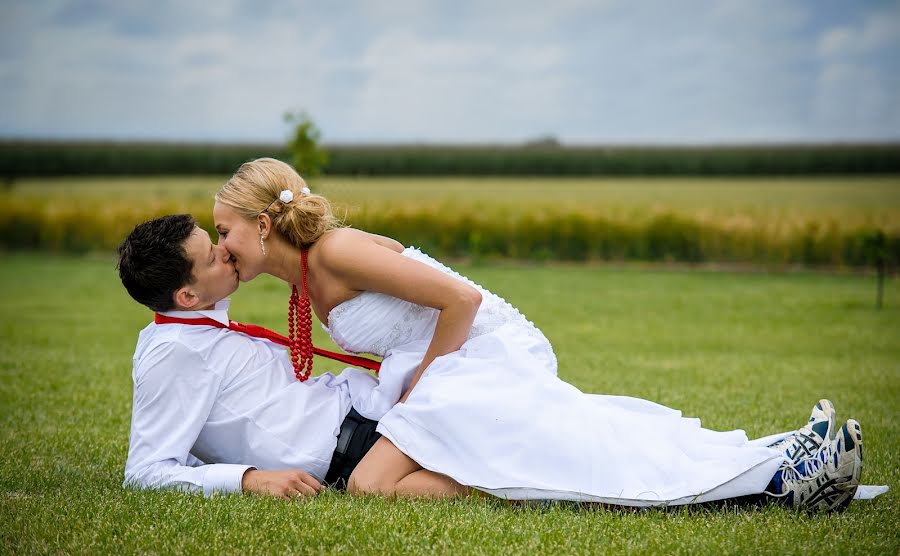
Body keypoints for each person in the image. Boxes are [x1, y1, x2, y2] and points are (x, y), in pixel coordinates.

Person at [212, 158, 884, 510]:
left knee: (369, 485)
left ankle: (771, 474)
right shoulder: (306, 275)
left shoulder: (334, 253)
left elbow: (461, 298)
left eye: (223, 232)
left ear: (262, 224)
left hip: (476, 350)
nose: (221, 246)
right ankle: (779, 461)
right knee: (385, 479)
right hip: (447, 361)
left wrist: (421, 389)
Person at [117, 214, 396, 499]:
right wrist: (248, 479)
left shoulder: (192, 331)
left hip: (362, 406)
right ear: (187, 297)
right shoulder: (173, 351)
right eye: (211, 258)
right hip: (356, 445)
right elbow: (145, 472)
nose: (225, 251)